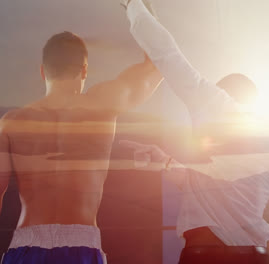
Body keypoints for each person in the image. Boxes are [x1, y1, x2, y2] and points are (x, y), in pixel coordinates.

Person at [120, 0, 269, 263]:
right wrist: (167, 162)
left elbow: (167, 54)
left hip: (206, 254)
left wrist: (134, 5)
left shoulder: (217, 104)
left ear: (225, 95)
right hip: (253, 256)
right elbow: (217, 190)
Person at [0, 31, 163, 263]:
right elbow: (159, 63)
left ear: (43, 71)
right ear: (85, 69)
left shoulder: (12, 123)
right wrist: (143, 12)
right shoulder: (103, 104)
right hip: (81, 246)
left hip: (25, 247)